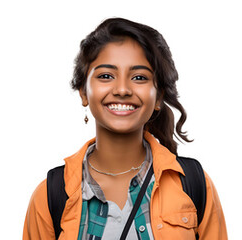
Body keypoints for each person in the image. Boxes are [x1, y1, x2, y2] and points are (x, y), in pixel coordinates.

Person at [22, 18, 227, 240]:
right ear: (83, 92)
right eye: (106, 76)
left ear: (158, 97)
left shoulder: (194, 183)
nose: (122, 89)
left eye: (139, 77)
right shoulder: (50, 195)